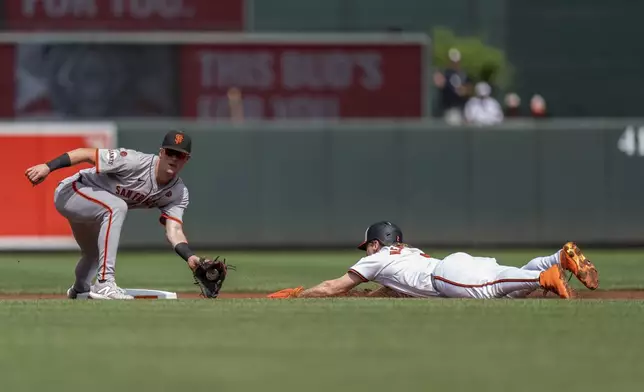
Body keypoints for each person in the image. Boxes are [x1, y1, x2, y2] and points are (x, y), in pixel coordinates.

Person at [24, 130, 226, 300]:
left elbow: (174, 231)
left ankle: (79, 290)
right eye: (170, 152)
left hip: (93, 208)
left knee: (94, 253)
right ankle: (105, 283)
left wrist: (190, 257)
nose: (173, 158)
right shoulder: (133, 161)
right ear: (161, 152)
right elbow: (84, 153)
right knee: (116, 207)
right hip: (72, 191)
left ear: (186, 159)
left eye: (179, 155)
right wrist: (47, 167)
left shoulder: (178, 193)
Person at [267, 221, 599, 300]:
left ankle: (545, 278)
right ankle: (557, 258)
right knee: (504, 284)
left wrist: (300, 296)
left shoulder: (377, 259)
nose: (365, 252)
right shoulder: (405, 253)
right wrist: (363, 297)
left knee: (487, 291)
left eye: (366, 245)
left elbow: (330, 286)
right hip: (458, 264)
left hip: (446, 275)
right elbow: (391, 290)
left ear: (375, 243)